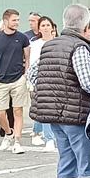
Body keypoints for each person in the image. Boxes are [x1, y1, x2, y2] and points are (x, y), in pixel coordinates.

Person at [30, 5, 90, 178]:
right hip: (78, 116)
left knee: (67, 164)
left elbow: (31, 75)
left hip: (55, 116)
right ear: (85, 25)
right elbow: (88, 82)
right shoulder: (79, 47)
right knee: (88, 166)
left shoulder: (49, 46)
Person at [0, 8, 34, 153]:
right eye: (14, 20)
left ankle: (17, 141)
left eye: (18, 20)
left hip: (18, 79)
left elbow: (27, 57)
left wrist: (26, 74)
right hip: (0, 80)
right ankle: (8, 133)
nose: (17, 23)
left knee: (18, 111)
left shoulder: (22, 38)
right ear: (5, 21)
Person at [25, 14, 58, 148]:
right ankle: (48, 138)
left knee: (53, 110)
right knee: (45, 109)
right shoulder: (35, 44)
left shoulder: (58, 41)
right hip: (41, 80)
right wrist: (30, 81)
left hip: (56, 79)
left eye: (47, 25)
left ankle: (40, 132)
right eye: (42, 25)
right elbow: (32, 64)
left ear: (52, 27)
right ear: (39, 29)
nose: (45, 28)